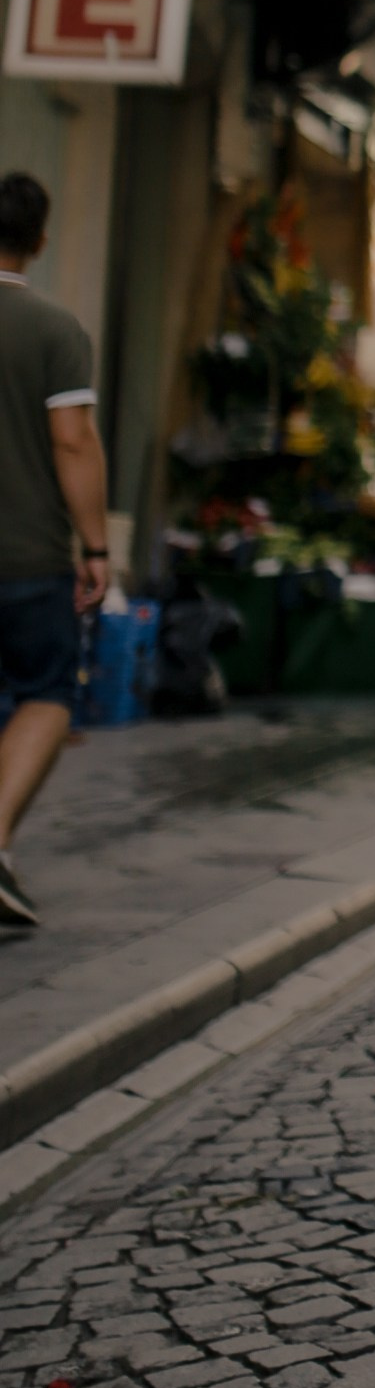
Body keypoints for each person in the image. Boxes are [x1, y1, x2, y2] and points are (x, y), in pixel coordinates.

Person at [0, 172, 110, 934]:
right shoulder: (53, 328)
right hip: (25, 555)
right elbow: (72, 442)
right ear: (40, 241)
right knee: (46, 692)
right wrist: (97, 546)